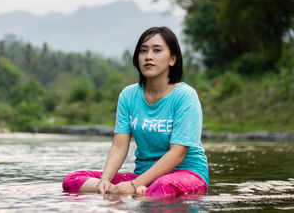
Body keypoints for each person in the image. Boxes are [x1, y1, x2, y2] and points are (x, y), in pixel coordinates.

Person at [62, 27, 209, 196]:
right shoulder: (128, 95)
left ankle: (143, 191)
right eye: (143, 51)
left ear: (173, 59)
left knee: (162, 186)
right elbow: (119, 146)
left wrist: (133, 185)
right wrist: (105, 181)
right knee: (72, 180)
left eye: (157, 50)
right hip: (142, 177)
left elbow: (177, 154)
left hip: (187, 175)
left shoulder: (185, 96)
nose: (148, 56)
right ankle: (137, 192)